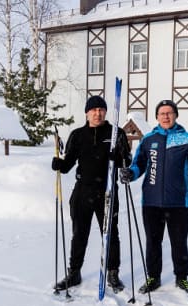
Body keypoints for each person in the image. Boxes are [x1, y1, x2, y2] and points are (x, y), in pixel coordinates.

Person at [119, 99, 188, 296]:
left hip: (179, 202)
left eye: (169, 113)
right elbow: (139, 164)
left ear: (175, 116)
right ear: (156, 117)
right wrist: (130, 174)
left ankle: (181, 277)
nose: (166, 116)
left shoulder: (186, 139)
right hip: (151, 202)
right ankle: (153, 277)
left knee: (179, 242)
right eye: (162, 113)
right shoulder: (148, 139)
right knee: (152, 242)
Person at [51, 95, 131, 292]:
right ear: (87, 113)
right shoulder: (77, 135)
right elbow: (69, 164)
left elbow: (127, 162)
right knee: (79, 234)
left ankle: (113, 273)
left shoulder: (116, 134)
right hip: (83, 191)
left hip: (107, 191)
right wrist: (59, 164)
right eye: (93, 110)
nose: (97, 113)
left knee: (111, 233)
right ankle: (74, 272)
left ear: (105, 112)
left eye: (101, 109)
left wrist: (119, 157)